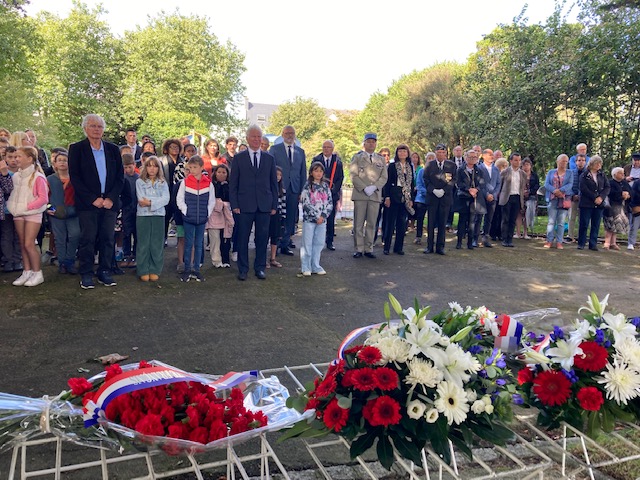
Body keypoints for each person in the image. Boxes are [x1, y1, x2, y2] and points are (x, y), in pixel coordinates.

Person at [69, 114, 124, 289]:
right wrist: (93, 199)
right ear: (85, 128)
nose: (96, 129)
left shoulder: (113, 149)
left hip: (109, 203)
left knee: (108, 238)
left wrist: (110, 198)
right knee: (88, 239)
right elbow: (75, 178)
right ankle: (86, 273)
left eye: (100, 126)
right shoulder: (77, 149)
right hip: (88, 204)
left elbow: (120, 177)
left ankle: (104, 271)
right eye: (93, 126)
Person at [229, 125, 278, 281]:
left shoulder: (269, 158)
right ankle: (243, 269)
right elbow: (233, 184)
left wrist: (274, 205)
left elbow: (274, 184)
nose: (256, 139)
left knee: (262, 238)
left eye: (259, 137)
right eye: (253, 136)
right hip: (244, 205)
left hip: (264, 205)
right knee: (242, 238)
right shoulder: (239, 158)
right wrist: (234, 204)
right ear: (247, 138)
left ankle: (260, 268)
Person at [6, 146, 48, 287]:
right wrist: (16, 208)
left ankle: (37, 272)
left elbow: (43, 198)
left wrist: (27, 207)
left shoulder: (38, 177)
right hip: (18, 214)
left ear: (29, 159)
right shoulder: (16, 176)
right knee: (22, 243)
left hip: (33, 214)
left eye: (19, 156)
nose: (16, 159)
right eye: (14, 156)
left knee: (29, 243)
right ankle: (27, 271)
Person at [176, 155, 215, 282]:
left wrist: (206, 213)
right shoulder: (185, 182)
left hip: (202, 219)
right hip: (189, 218)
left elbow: (211, 201)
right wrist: (185, 211)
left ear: (201, 167)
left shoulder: (208, 184)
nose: (192, 170)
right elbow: (179, 199)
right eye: (190, 167)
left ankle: (196, 269)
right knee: (188, 244)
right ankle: (187, 269)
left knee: (199, 244)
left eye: (195, 167)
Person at [269, 126, 306, 256]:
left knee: (291, 217)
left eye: (292, 133)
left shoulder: (300, 152)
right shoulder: (274, 149)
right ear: (282, 135)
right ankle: (275, 244)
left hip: (294, 189)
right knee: (278, 217)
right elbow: (270, 169)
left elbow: (303, 172)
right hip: (279, 189)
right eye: (287, 133)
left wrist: (302, 191)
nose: (290, 135)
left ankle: (285, 244)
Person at [349, 133, 388, 258]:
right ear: (364, 143)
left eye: (373, 142)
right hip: (360, 194)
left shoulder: (381, 159)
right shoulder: (357, 157)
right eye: (369, 141)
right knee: (358, 223)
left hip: (374, 195)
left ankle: (369, 248)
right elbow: (353, 175)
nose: (371, 144)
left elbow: (384, 177)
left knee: (372, 223)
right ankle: (359, 248)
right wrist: (364, 187)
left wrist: (374, 187)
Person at [136, 155, 170, 282]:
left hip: (159, 215)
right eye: (149, 166)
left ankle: (155, 269)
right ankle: (143, 269)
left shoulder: (163, 183)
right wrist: (156, 201)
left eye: (155, 166)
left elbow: (166, 199)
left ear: (159, 168)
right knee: (143, 243)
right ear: (145, 167)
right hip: (143, 215)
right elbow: (141, 199)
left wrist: (150, 202)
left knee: (157, 243)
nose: (152, 169)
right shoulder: (139, 182)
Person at [46, 151, 80, 274]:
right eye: (59, 160)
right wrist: (50, 209)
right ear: (55, 163)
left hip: (73, 211)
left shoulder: (76, 178)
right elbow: (45, 198)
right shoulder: (50, 179)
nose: (62, 162)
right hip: (56, 213)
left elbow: (81, 195)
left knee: (75, 235)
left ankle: (69, 260)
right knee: (59, 238)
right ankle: (62, 263)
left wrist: (78, 208)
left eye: (65, 160)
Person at [299, 161, 332, 276]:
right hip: (310, 220)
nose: (318, 173)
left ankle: (315, 265)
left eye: (321, 171)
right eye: (316, 171)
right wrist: (315, 216)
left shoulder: (325, 186)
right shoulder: (307, 186)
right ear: (311, 172)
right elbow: (306, 203)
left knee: (319, 243)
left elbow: (329, 203)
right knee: (307, 243)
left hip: (322, 220)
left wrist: (323, 216)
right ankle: (306, 266)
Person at [423, 143, 456, 255]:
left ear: (446, 153)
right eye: (439, 152)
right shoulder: (429, 165)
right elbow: (426, 179)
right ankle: (429, 246)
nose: (441, 154)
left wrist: (444, 190)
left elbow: (453, 180)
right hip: (432, 197)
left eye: (443, 152)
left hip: (445, 198)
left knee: (442, 223)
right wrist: (433, 190)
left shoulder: (451, 165)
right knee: (431, 223)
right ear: (435, 153)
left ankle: (440, 247)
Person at [382, 144, 414, 255]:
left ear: (407, 153)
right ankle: (386, 247)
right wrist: (387, 197)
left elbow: (412, 184)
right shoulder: (392, 166)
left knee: (402, 224)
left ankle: (398, 247)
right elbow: (387, 183)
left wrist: (411, 199)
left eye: (404, 151)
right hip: (393, 196)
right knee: (390, 223)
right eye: (400, 151)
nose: (402, 153)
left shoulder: (410, 167)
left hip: (405, 197)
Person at [312, 140, 343, 251]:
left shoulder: (337, 161)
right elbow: (312, 175)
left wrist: (333, 191)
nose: (326, 149)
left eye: (328, 147)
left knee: (330, 219)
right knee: (318, 218)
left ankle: (329, 241)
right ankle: (316, 241)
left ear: (332, 149)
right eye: (324, 147)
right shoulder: (316, 159)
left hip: (332, 194)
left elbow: (340, 178)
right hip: (318, 195)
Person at [455, 149, 487, 250]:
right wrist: (468, 189)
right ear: (466, 158)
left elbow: (482, 183)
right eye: (470, 157)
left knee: (472, 221)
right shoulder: (460, 170)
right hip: (464, 197)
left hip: (475, 199)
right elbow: (458, 183)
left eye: (474, 157)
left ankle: (470, 243)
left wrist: (476, 189)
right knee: (462, 220)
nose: (472, 159)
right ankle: (459, 242)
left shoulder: (479, 170)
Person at [578, 155, 610, 251]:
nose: (598, 165)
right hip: (586, 203)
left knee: (596, 224)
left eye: (600, 163)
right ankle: (581, 243)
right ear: (592, 164)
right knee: (584, 224)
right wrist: (594, 197)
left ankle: (593, 244)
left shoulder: (602, 175)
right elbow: (583, 188)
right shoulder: (584, 175)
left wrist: (601, 197)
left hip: (599, 204)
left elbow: (607, 187)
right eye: (597, 163)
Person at [206, 164, 234, 268]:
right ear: (215, 173)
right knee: (215, 239)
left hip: (226, 215)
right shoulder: (211, 185)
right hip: (215, 214)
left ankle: (226, 259)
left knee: (226, 238)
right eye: (219, 172)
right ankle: (216, 260)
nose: (221, 174)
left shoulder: (230, 186)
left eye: (224, 172)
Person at [543, 154, 573, 249]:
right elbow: (546, 184)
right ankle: (549, 240)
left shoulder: (570, 173)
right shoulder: (551, 172)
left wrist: (561, 191)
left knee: (561, 222)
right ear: (557, 161)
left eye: (566, 161)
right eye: (562, 161)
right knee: (551, 221)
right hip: (552, 199)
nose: (564, 163)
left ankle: (559, 242)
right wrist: (554, 190)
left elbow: (570, 184)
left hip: (563, 200)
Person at [498, 153, 527, 247]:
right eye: (516, 160)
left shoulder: (522, 174)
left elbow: (523, 187)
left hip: (517, 197)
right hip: (507, 197)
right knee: (505, 219)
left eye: (519, 160)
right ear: (511, 161)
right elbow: (500, 185)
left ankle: (510, 239)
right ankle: (504, 238)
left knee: (513, 219)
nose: (518, 162)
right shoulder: (505, 172)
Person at [0, 146, 21, 272]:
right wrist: (4, 174)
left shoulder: (23, 172)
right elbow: (7, 190)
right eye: (10, 157)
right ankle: (8, 260)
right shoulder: (3, 172)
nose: (13, 160)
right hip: (6, 210)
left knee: (18, 236)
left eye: (16, 157)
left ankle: (17, 259)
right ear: (5, 158)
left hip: (20, 209)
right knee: (7, 236)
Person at [603, 167, 630, 251]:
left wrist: (627, 195)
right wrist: (621, 194)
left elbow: (630, 191)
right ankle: (607, 243)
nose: (623, 175)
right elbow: (610, 193)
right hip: (611, 206)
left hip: (621, 206)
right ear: (615, 174)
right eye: (620, 173)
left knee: (616, 226)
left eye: (623, 173)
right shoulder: (610, 182)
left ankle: (613, 243)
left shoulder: (624, 183)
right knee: (610, 225)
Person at [120, 154, 139, 268]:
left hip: (137, 209)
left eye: (130, 167)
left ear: (134, 165)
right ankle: (126, 255)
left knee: (137, 233)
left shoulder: (139, 178)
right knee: (126, 233)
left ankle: (135, 255)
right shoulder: (122, 178)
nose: (128, 169)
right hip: (126, 209)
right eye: (125, 167)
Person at [478, 149, 499, 247]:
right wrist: (486, 194)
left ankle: (485, 238)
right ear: (483, 156)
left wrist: (494, 194)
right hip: (482, 197)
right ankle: (475, 238)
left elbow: (498, 183)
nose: (492, 156)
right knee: (478, 218)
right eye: (489, 154)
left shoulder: (496, 169)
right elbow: (479, 183)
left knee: (489, 219)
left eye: (492, 154)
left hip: (493, 198)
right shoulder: (479, 168)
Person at [267, 166, 285, 268]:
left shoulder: (282, 190)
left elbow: (284, 205)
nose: (278, 177)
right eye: (276, 174)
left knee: (275, 236)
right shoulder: (267, 188)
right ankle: (263, 259)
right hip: (267, 214)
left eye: (280, 175)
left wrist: (283, 218)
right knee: (265, 236)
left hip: (277, 215)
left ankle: (273, 258)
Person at [413, 152, 433, 245]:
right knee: (420, 218)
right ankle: (418, 236)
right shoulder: (421, 171)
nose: (431, 160)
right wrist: (427, 192)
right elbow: (419, 185)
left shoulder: (437, 172)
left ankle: (431, 237)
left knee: (432, 219)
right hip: (421, 198)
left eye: (432, 158)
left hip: (433, 198)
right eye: (429, 158)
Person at [567, 153, 587, 242]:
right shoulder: (571, 173)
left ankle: (581, 237)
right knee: (571, 217)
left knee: (582, 219)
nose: (581, 162)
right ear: (575, 162)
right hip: (572, 198)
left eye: (583, 160)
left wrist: (580, 195)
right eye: (579, 160)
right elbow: (569, 185)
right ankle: (570, 236)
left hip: (584, 199)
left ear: (585, 162)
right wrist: (573, 195)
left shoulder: (587, 173)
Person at [521, 158, 540, 239]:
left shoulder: (534, 175)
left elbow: (537, 185)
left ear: (530, 166)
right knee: (520, 214)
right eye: (524, 165)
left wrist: (529, 192)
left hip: (531, 196)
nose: (526, 166)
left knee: (528, 212)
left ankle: (526, 232)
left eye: (527, 165)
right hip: (520, 195)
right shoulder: (519, 174)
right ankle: (518, 232)